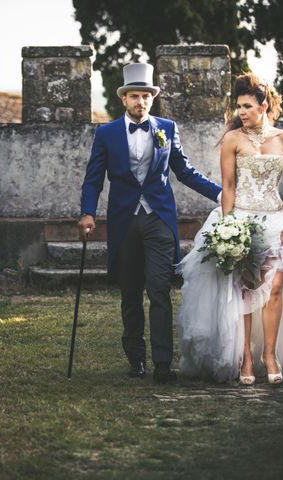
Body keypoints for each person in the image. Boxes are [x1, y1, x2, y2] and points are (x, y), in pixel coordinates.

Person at [176, 72, 283, 384]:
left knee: (277, 285)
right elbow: (227, 185)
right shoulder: (232, 140)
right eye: (239, 106)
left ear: (264, 106)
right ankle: (246, 359)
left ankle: (270, 354)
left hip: (277, 221)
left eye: (248, 106)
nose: (242, 112)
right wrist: (228, 226)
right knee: (246, 290)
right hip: (242, 220)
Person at [78, 63, 222, 383]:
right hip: (123, 221)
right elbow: (93, 180)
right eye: (134, 96)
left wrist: (221, 194)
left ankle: (162, 363)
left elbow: (185, 172)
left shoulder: (166, 129)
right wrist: (88, 212)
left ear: (152, 98)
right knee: (130, 293)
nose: (140, 101)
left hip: (158, 219)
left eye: (145, 96)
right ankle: (136, 359)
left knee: (159, 289)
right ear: (124, 99)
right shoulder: (106, 134)